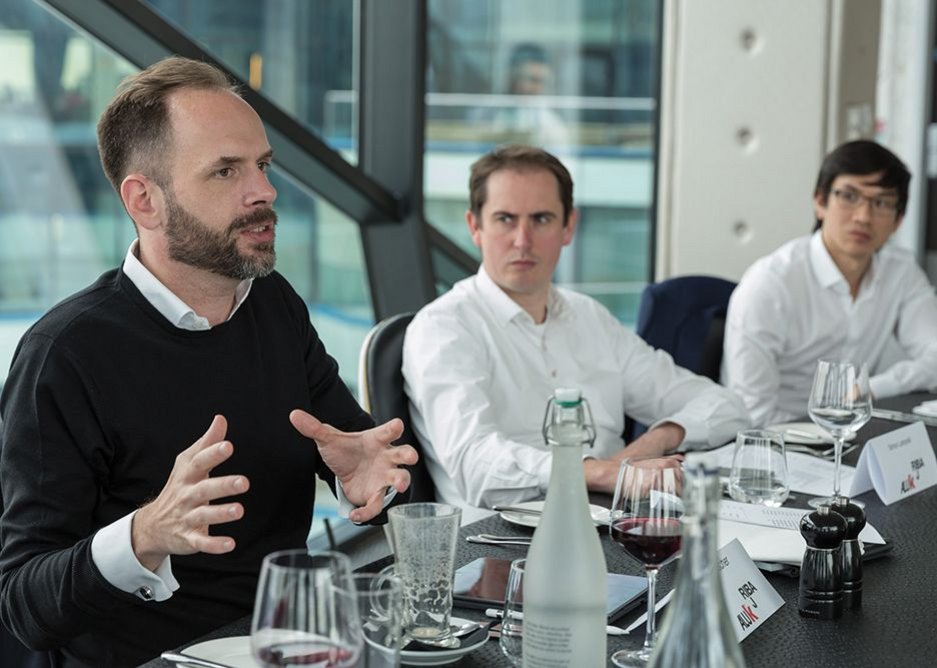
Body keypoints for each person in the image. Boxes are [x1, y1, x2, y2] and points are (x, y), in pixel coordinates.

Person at [0, 56, 417, 668]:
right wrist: (144, 536)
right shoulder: (64, 355)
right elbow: (22, 606)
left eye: (263, 166)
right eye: (225, 171)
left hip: (286, 643)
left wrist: (375, 485)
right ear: (145, 200)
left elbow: (359, 457)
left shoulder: (273, 304)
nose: (265, 191)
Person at [402, 145, 749, 522]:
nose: (522, 240)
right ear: (475, 227)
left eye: (541, 219)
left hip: (620, 524)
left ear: (568, 226)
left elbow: (726, 406)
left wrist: (657, 439)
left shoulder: (589, 317)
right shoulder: (443, 328)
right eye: (504, 219)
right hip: (502, 547)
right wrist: (603, 473)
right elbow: (475, 464)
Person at [722, 139, 937, 427]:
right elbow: (751, 413)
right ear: (820, 202)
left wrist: (868, 389)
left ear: (898, 220)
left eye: (881, 203)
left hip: (849, 433)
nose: (863, 217)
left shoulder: (901, 272)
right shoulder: (771, 284)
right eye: (849, 197)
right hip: (777, 441)